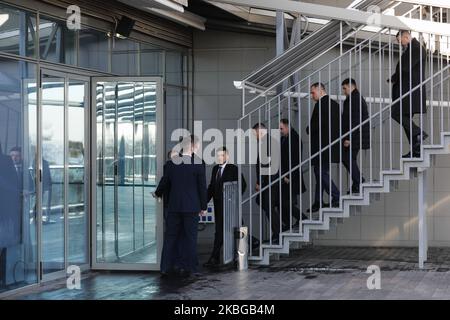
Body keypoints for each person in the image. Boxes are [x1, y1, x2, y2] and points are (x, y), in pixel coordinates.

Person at [160, 135, 207, 278]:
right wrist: (203, 207)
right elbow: (202, 187)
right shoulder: (198, 163)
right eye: (197, 145)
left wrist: (157, 193)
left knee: (170, 237)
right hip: (191, 207)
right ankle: (190, 268)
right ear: (193, 147)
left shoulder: (172, 162)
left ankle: (165, 267)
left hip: (174, 206)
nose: (198, 148)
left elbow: (165, 182)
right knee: (190, 238)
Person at [204, 147, 247, 267]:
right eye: (218, 156)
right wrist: (204, 203)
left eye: (222, 155)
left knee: (235, 229)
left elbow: (242, 185)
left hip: (230, 206)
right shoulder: (214, 169)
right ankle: (215, 257)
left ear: (227, 156)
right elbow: (212, 187)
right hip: (218, 207)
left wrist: (233, 199)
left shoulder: (233, 169)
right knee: (219, 231)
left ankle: (238, 257)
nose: (219, 158)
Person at [389, 30, 428, 158]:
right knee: (405, 121)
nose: (399, 43)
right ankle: (416, 151)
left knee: (396, 114)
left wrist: (396, 76)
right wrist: (394, 77)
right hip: (408, 90)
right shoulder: (412, 48)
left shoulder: (416, 48)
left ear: (406, 36)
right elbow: (404, 68)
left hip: (410, 91)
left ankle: (418, 132)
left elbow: (405, 67)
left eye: (400, 40)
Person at [307, 83, 340, 212]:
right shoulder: (335, 105)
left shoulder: (320, 105)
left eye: (312, 92)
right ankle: (318, 201)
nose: (311, 96)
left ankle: (336, 195)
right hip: (331, 146)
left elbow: (315, 126)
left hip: (321, 146)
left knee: (320, 172)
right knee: (320, 172)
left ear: (321, 90)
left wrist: (308, 129)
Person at [253, 123, 281, 244]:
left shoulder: (268, 142)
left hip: (270, 181)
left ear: (260, 131)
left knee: (268, 207)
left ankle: (278, 233)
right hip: (270, 180)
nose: (255, 136)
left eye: (255, 133)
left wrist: (260, 181)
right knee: (262, 202)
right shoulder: (268, 142)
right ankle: (278, 230)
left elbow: (265, 165)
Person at [341, 79, 370, 194]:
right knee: (349, 158)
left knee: (347, 158)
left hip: (356, 135)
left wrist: (349, 138)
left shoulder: (355, 98)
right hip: (357, 134)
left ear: (351, 86)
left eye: (344, 88)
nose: (344, 91)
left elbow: (355, 121)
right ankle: (357, 183)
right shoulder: (353, 98)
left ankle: (359, 182)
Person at [279, 119, 307, 229]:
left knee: (286, 203)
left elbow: (295, 160)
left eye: (281, 128)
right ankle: (288, 224)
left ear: (287, 127)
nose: (280, 131)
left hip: (291, 177)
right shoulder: (284, 139)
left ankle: (302, 218)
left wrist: (288, 176)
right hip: (285, 176)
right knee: (284, 202)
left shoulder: (294, 138)